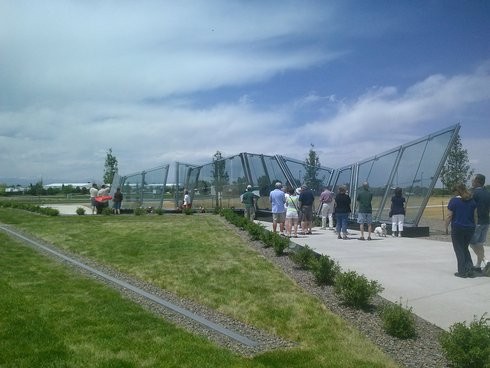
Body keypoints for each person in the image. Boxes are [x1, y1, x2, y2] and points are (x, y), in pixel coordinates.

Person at [445, 183, 477, 278]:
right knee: (465, 248)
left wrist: (446, 226)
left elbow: (449, 215)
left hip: (458, 228)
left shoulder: (454, 201)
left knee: (459, 249)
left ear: (456, 191)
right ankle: (469, 269)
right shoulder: (472, 201)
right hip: (470, 228)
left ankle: (462, 271)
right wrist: (474, 226)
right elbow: (475, 216)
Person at [469, 174, 490, 274]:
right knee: (480, 244)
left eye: (473, 180)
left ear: (477, 181)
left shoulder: (474, 194)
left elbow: (471, 208)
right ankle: (478, 265)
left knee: (472, 243)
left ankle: (486, 261)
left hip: (477, 222)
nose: (472, 182)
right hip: (486, 222)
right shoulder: (487, 193)